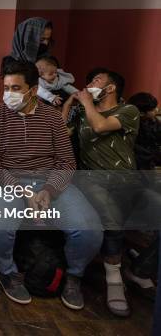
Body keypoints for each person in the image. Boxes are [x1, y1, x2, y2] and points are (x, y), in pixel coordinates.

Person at [0, 60, 102, 310]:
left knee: (90, 230)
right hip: (9, 184)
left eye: (15, 88)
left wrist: (48, 190)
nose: (8, 94)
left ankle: (74, 276)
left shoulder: (53, 119)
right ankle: (9, 273)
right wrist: (23, 191)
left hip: (50, 184)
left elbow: (67, 163)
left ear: (33, 90)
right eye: (6, 87)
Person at [65, 69, 161, 317]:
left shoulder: (127, 111)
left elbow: (100, 126)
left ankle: (139, 270)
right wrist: (69, 102)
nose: (89, 85)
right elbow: (61, 132)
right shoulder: (83, 113)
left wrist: (86, 102)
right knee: (112, 219)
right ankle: (114, 280)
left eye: (96, 81)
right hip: (92, 180)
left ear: (111, 88)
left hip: (128, 182)